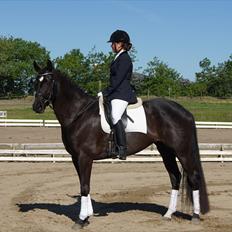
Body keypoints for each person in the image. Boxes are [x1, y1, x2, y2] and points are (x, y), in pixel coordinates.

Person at [102, 30, 137, 160]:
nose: (111, 46)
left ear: (120, 44)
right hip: (115, 93)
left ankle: (122, 148)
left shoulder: (125, 59)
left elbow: (118, 80)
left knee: (115, 116)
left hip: (121, 93)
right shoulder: (118, 58)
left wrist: (106, 91)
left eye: (113, 43)